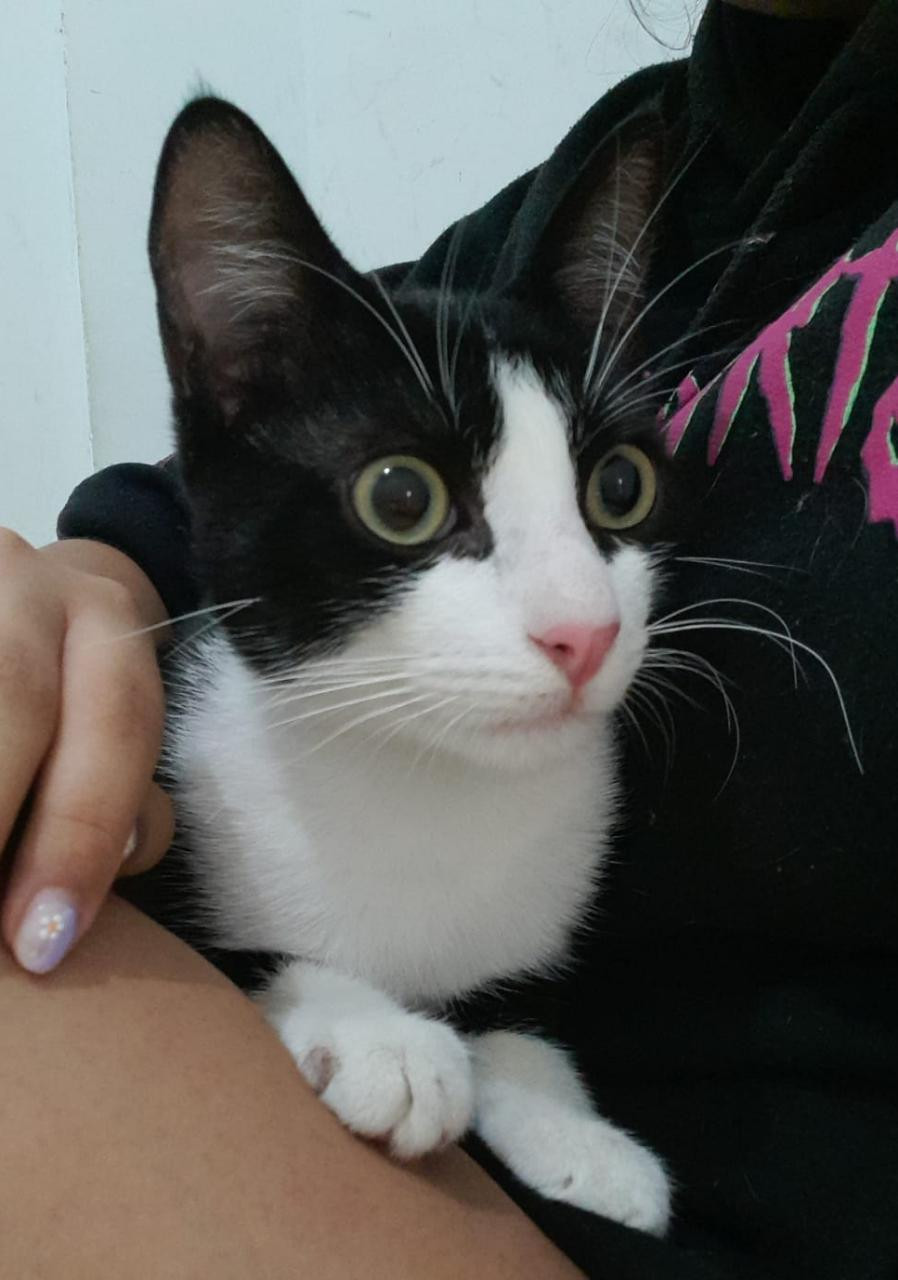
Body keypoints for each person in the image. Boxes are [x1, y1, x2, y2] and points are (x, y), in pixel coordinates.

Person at [1, 0, 896, 1275]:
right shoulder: (689, 142)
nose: (581, 618)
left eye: (613, 493)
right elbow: (207, 492)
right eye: (409, 502)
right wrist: (85, 574)